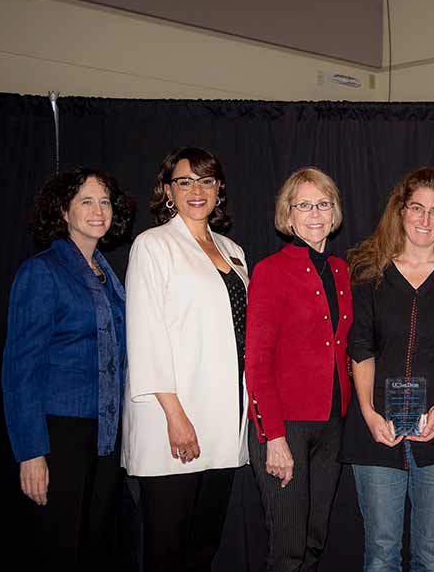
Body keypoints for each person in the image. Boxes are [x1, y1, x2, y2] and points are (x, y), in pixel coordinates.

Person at [340, 166, 434, 572]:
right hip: (376, 431)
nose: (425, 220)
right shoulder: (369, 271)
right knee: (381, 554)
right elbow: (361, 349)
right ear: (400, 211)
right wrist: (368, 412)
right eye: (417, 208)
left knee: (431, 557)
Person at [122, 147, 250, 572]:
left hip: (221, 422)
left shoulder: (233, 250)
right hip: (172, 422)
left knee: (203, 547)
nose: (197, 190)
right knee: (166, 551)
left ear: (219, 190)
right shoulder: (152, 246)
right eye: (185, 181)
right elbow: (145, 335)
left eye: (206, 180)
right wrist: (175, 415)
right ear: (168, 191)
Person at [2, 167, 134, 570]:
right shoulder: (41, 271)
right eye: (86, 201)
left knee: (95, 549)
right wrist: (30, 453)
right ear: (63, 210)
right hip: (60, 433)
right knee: (57, 549)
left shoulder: (107, 273)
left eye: (105, 201)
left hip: (104, 436)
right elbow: (20, 369)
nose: (99, 210)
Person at [245, 167, 352, 572]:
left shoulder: (341, 272)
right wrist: (273, 436)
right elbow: (256, 361)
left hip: (331, 425)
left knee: (314, 540)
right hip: (284, 425)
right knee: (288, 548)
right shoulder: (271, 271)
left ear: (334, 212)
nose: (315, 213)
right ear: (287, 215)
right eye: (303, 204)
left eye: (323, 204)